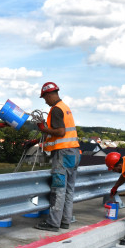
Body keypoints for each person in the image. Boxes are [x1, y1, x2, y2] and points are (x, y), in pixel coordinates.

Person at [34, 81, 80, 232]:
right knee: (68, 190)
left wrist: (43, 128)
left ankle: (53, 223)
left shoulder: (56, 109)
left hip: (62, 154)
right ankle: (64, 221)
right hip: (73, 153)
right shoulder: (65, 108)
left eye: (45, 98)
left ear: (49, 94)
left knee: (58, 189)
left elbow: (60, 132)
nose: (45, 101)